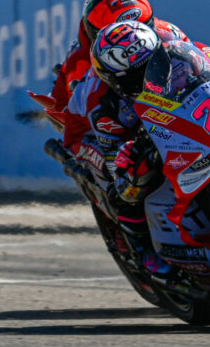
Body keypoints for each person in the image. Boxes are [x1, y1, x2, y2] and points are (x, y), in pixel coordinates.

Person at [64, 20, 170, 276]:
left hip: (151, 116)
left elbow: (208, 61)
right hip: (86, 135)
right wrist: (133, 158)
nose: (148, 78)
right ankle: (143, 249)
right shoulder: (103, 104)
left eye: (151, 67)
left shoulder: (166, 38)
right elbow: (118, 170)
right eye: (138, 76)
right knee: (128, 176)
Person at [43, 0, 190, 113]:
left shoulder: (166, 30)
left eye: (140, 29)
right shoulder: (83, 59)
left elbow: (196, 56)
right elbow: (74, 112)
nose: (134, 37)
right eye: (123, 35)